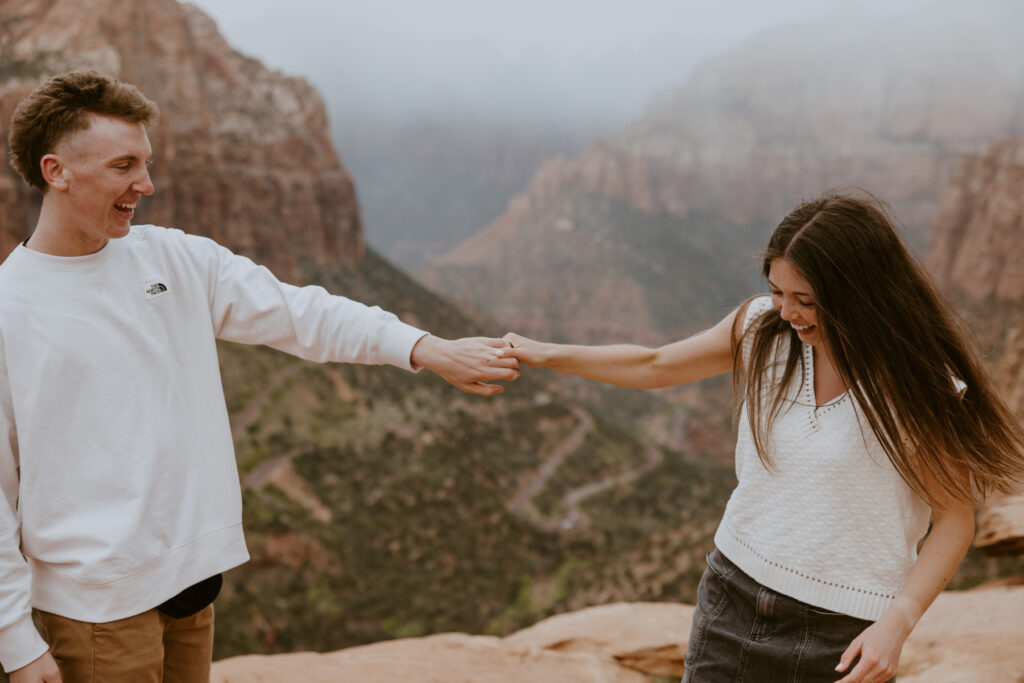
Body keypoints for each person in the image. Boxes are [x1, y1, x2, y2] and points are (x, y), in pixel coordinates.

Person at [0, 71, 519, 682]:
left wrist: (422, 346)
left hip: (191, 590)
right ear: (56, 171)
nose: (148, 183)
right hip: (96, 617)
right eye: (124, 166)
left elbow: (301, 312)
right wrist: (15, 639)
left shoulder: (173, 257)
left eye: (147, 162)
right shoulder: (13, 311)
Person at [501, 191, 1024, 683]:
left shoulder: (918, 384)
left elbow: (954, 519)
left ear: (860, 294)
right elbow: (654, 364)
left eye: (807, 299)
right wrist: (543, 353)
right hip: (729, 600)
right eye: (777, 291)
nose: (786, 312)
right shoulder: (759, 330)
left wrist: (898, 622)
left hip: (843, 633)